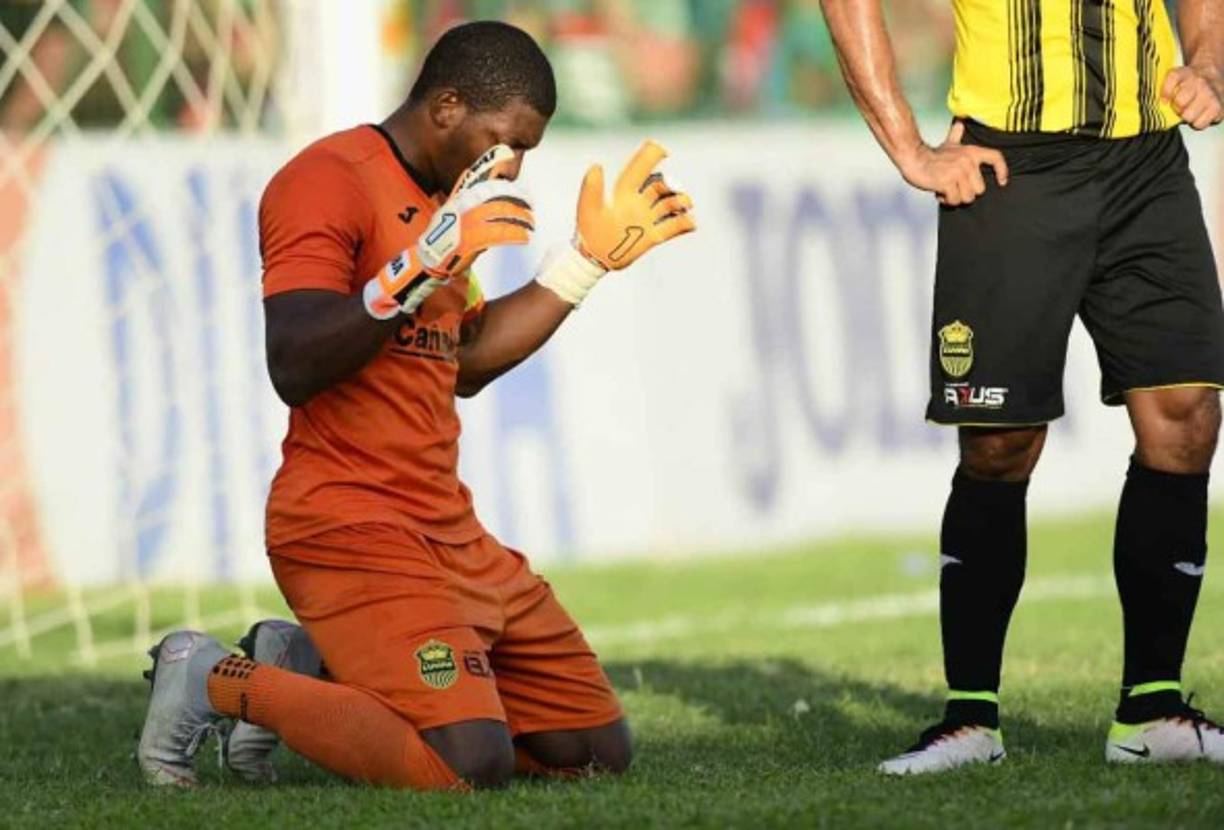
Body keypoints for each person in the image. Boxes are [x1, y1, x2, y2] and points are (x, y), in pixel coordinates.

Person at [136, 20, 695, 790]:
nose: (514, 165)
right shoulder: (327, 178)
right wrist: (418, 268)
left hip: (446, 529)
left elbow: (461, 362)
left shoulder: (446, 202)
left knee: (593, 750)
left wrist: (582, 264)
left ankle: (308, 663)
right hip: (346, 525)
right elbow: (293, 361)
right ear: (447, 106)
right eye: (505, 141)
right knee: (467, 765)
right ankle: (210, 675)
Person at [821, 0, 1224, 774]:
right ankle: (971, 717)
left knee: (1186, 416)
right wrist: (909, 147)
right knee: (1003, 442)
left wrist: (1205, 62)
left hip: (1149, 166)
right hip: (1013, 165)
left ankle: (1153, 707)